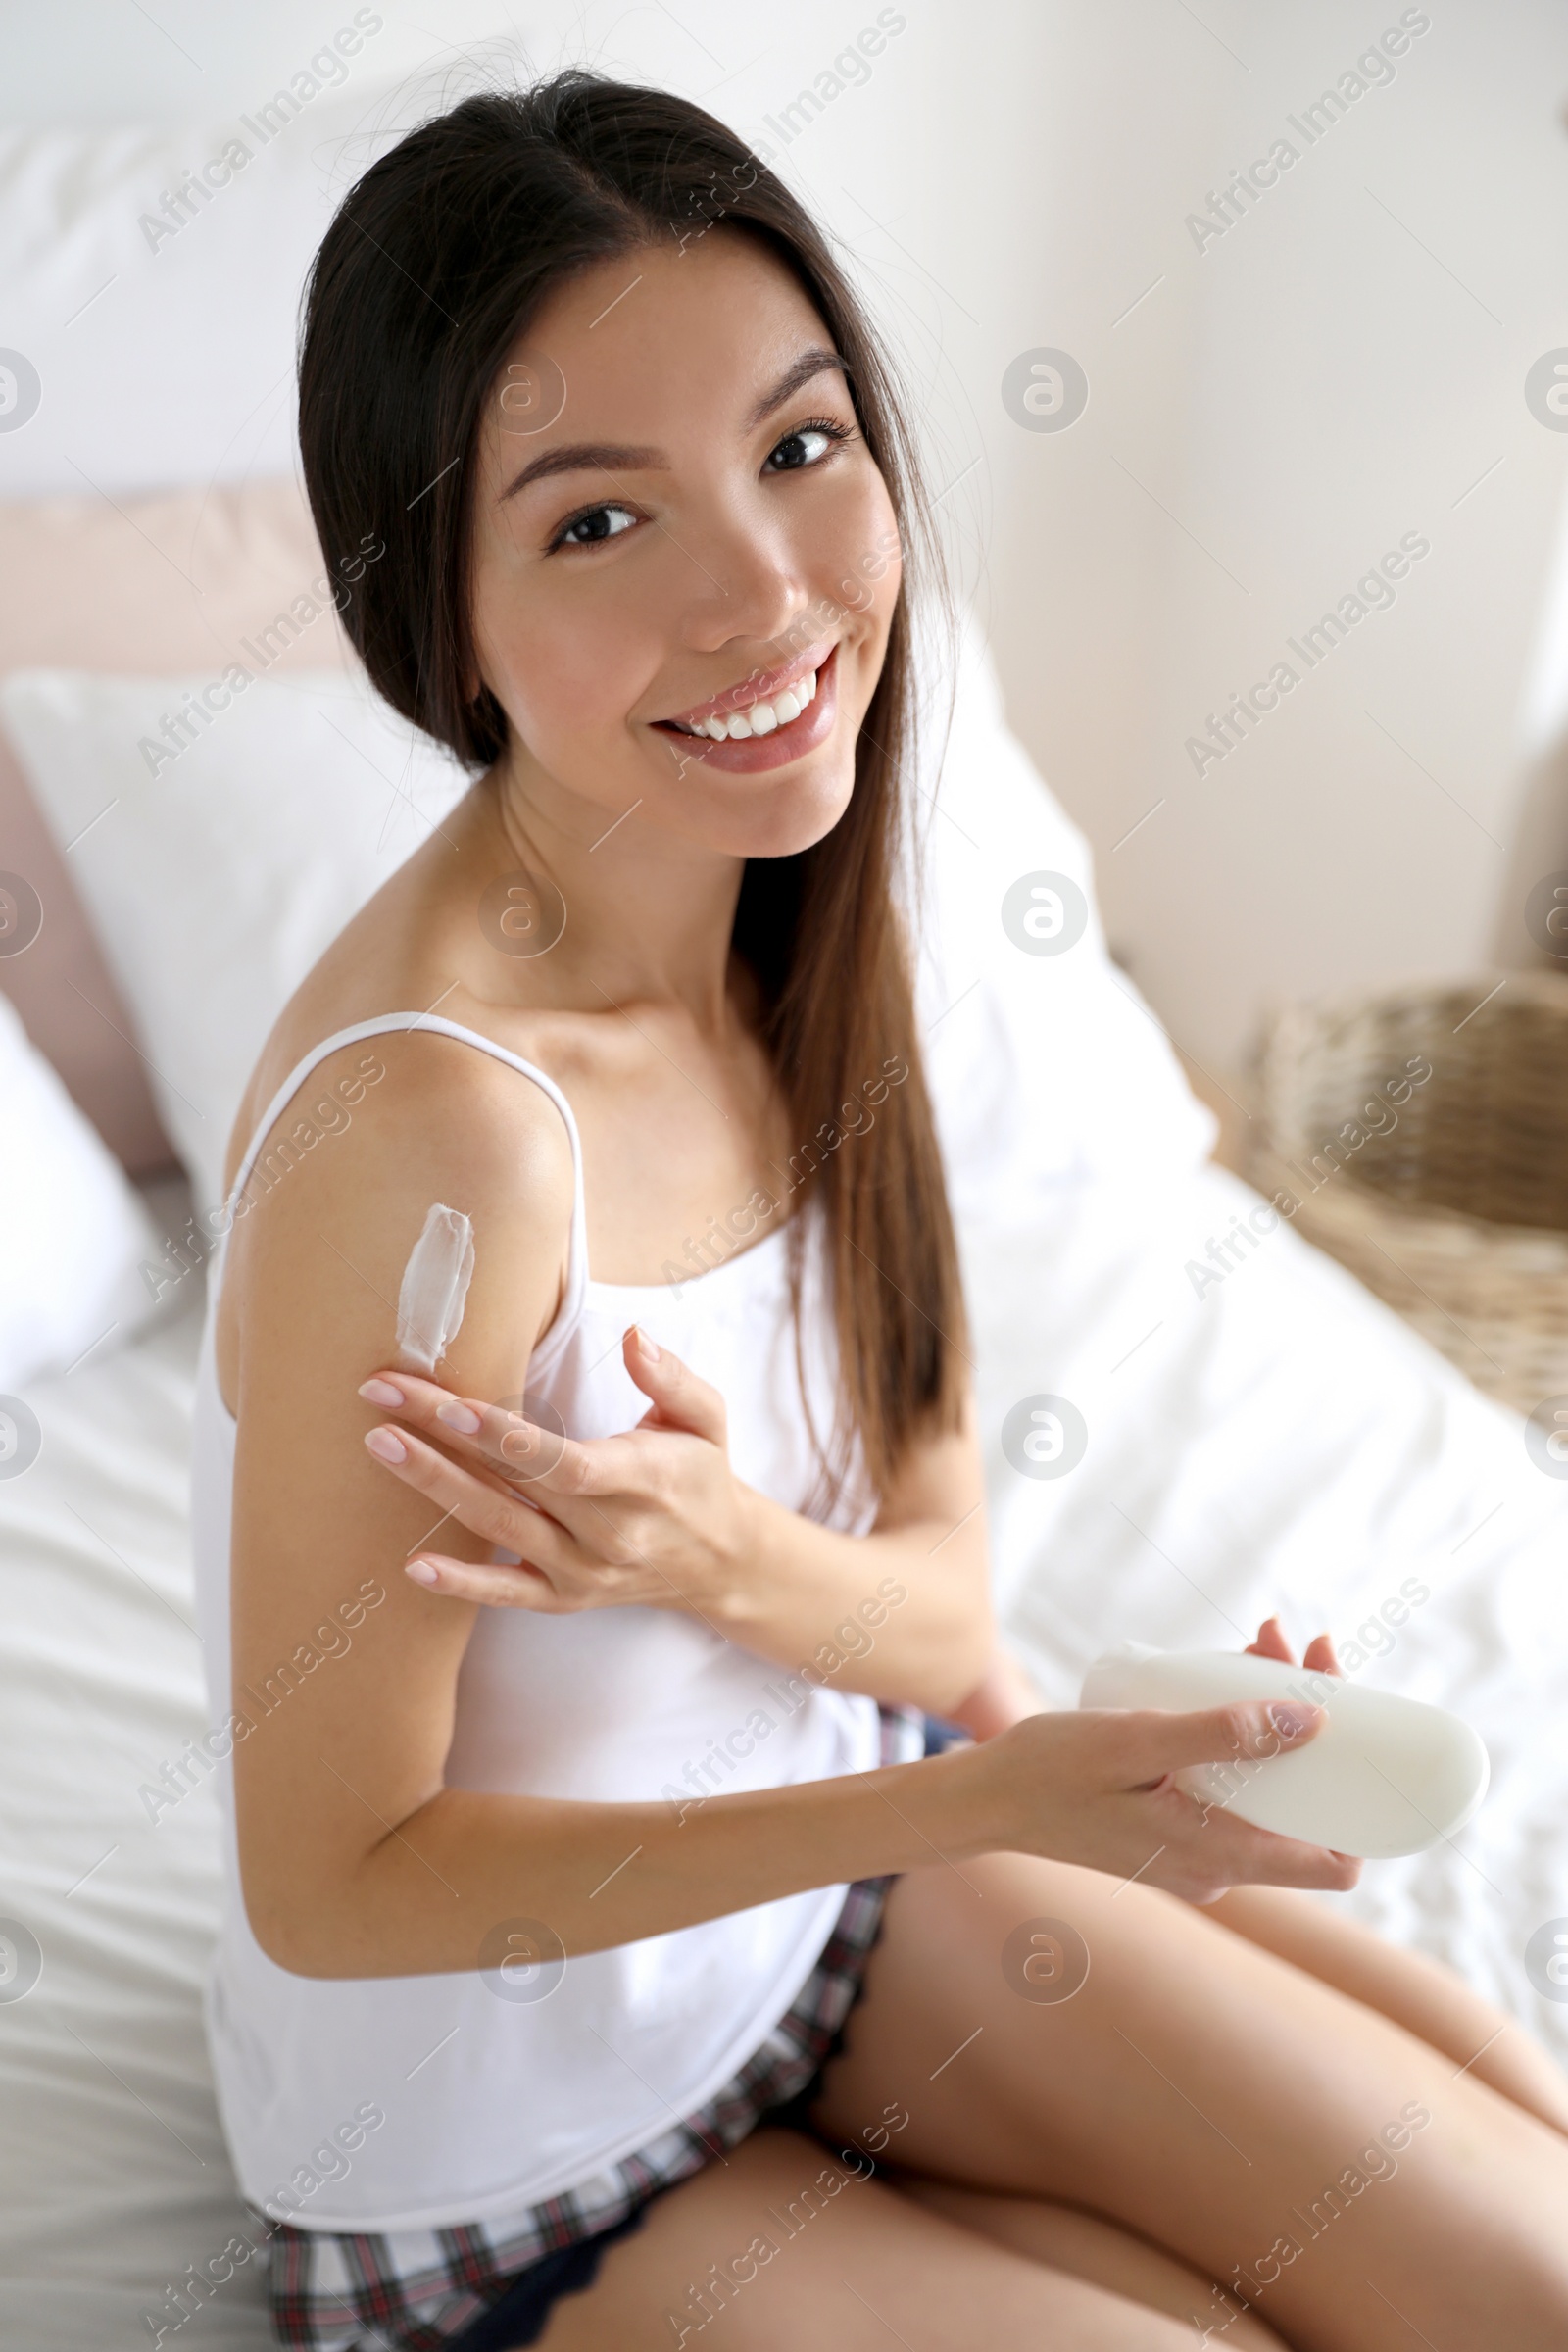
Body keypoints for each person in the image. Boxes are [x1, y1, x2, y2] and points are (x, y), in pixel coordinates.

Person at [192, 72, 1568, 2352]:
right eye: (596, 524)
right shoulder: (433, 1138)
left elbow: (935, 1612)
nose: (761, 594)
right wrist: (975, 1808)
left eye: (801, 447)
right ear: (431, 626)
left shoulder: (809, 936)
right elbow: (335, 1885)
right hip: (522, 2165)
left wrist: (748, 1584)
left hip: (839, 1911)